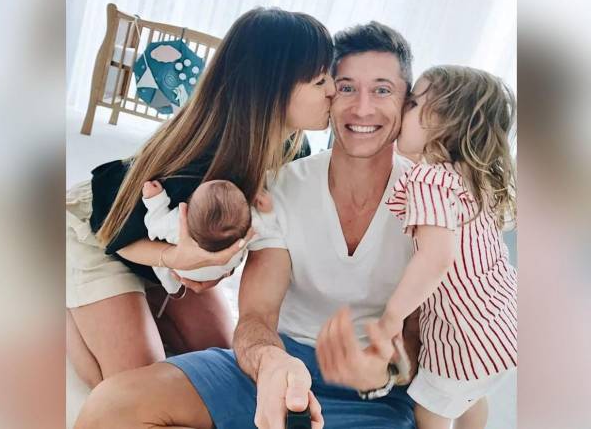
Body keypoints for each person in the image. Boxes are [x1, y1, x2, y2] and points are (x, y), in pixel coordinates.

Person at [75, 21, 421, 429]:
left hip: (371, 397)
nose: (360, 107)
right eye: (343, 86)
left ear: (407, 102)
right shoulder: (265, 178)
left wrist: (392, 367)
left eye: (382, 90)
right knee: (113, 396)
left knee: (205, 337)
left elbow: (431, 336)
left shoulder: (432, 203)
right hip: (104, 230)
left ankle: (155, 301)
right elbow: (256, 312)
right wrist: (270, 359)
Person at [66, 7, 334, 389]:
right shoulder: (202, 158)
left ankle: (143, 304)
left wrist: (212, 267)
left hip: (170, 254)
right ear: (274, 88)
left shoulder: (296, 152)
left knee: (220, 363)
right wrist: (173, 259)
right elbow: (112, 227)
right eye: (321, 80)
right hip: (103, 233)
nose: (333, 90)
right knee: (133, 386)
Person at [379, 65, 517, 429]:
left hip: (464, 340)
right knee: (472, 396)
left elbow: (436, 258)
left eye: (412, 104)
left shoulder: (429, 180)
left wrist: (392, 316)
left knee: (430, 411)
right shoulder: (472, 174)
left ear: (445, 123)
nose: (402, 110)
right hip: (503, 324)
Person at [141, 179, 277, 292]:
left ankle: (170, 286)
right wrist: (268, 211)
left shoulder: (177, 226)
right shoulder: (248, 230)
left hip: (182, 270)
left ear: (187, 209)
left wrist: (155, 200)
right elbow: (266, 230)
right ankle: (172, 287)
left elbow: (154, 224)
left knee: (165, 270)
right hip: (217, 272)